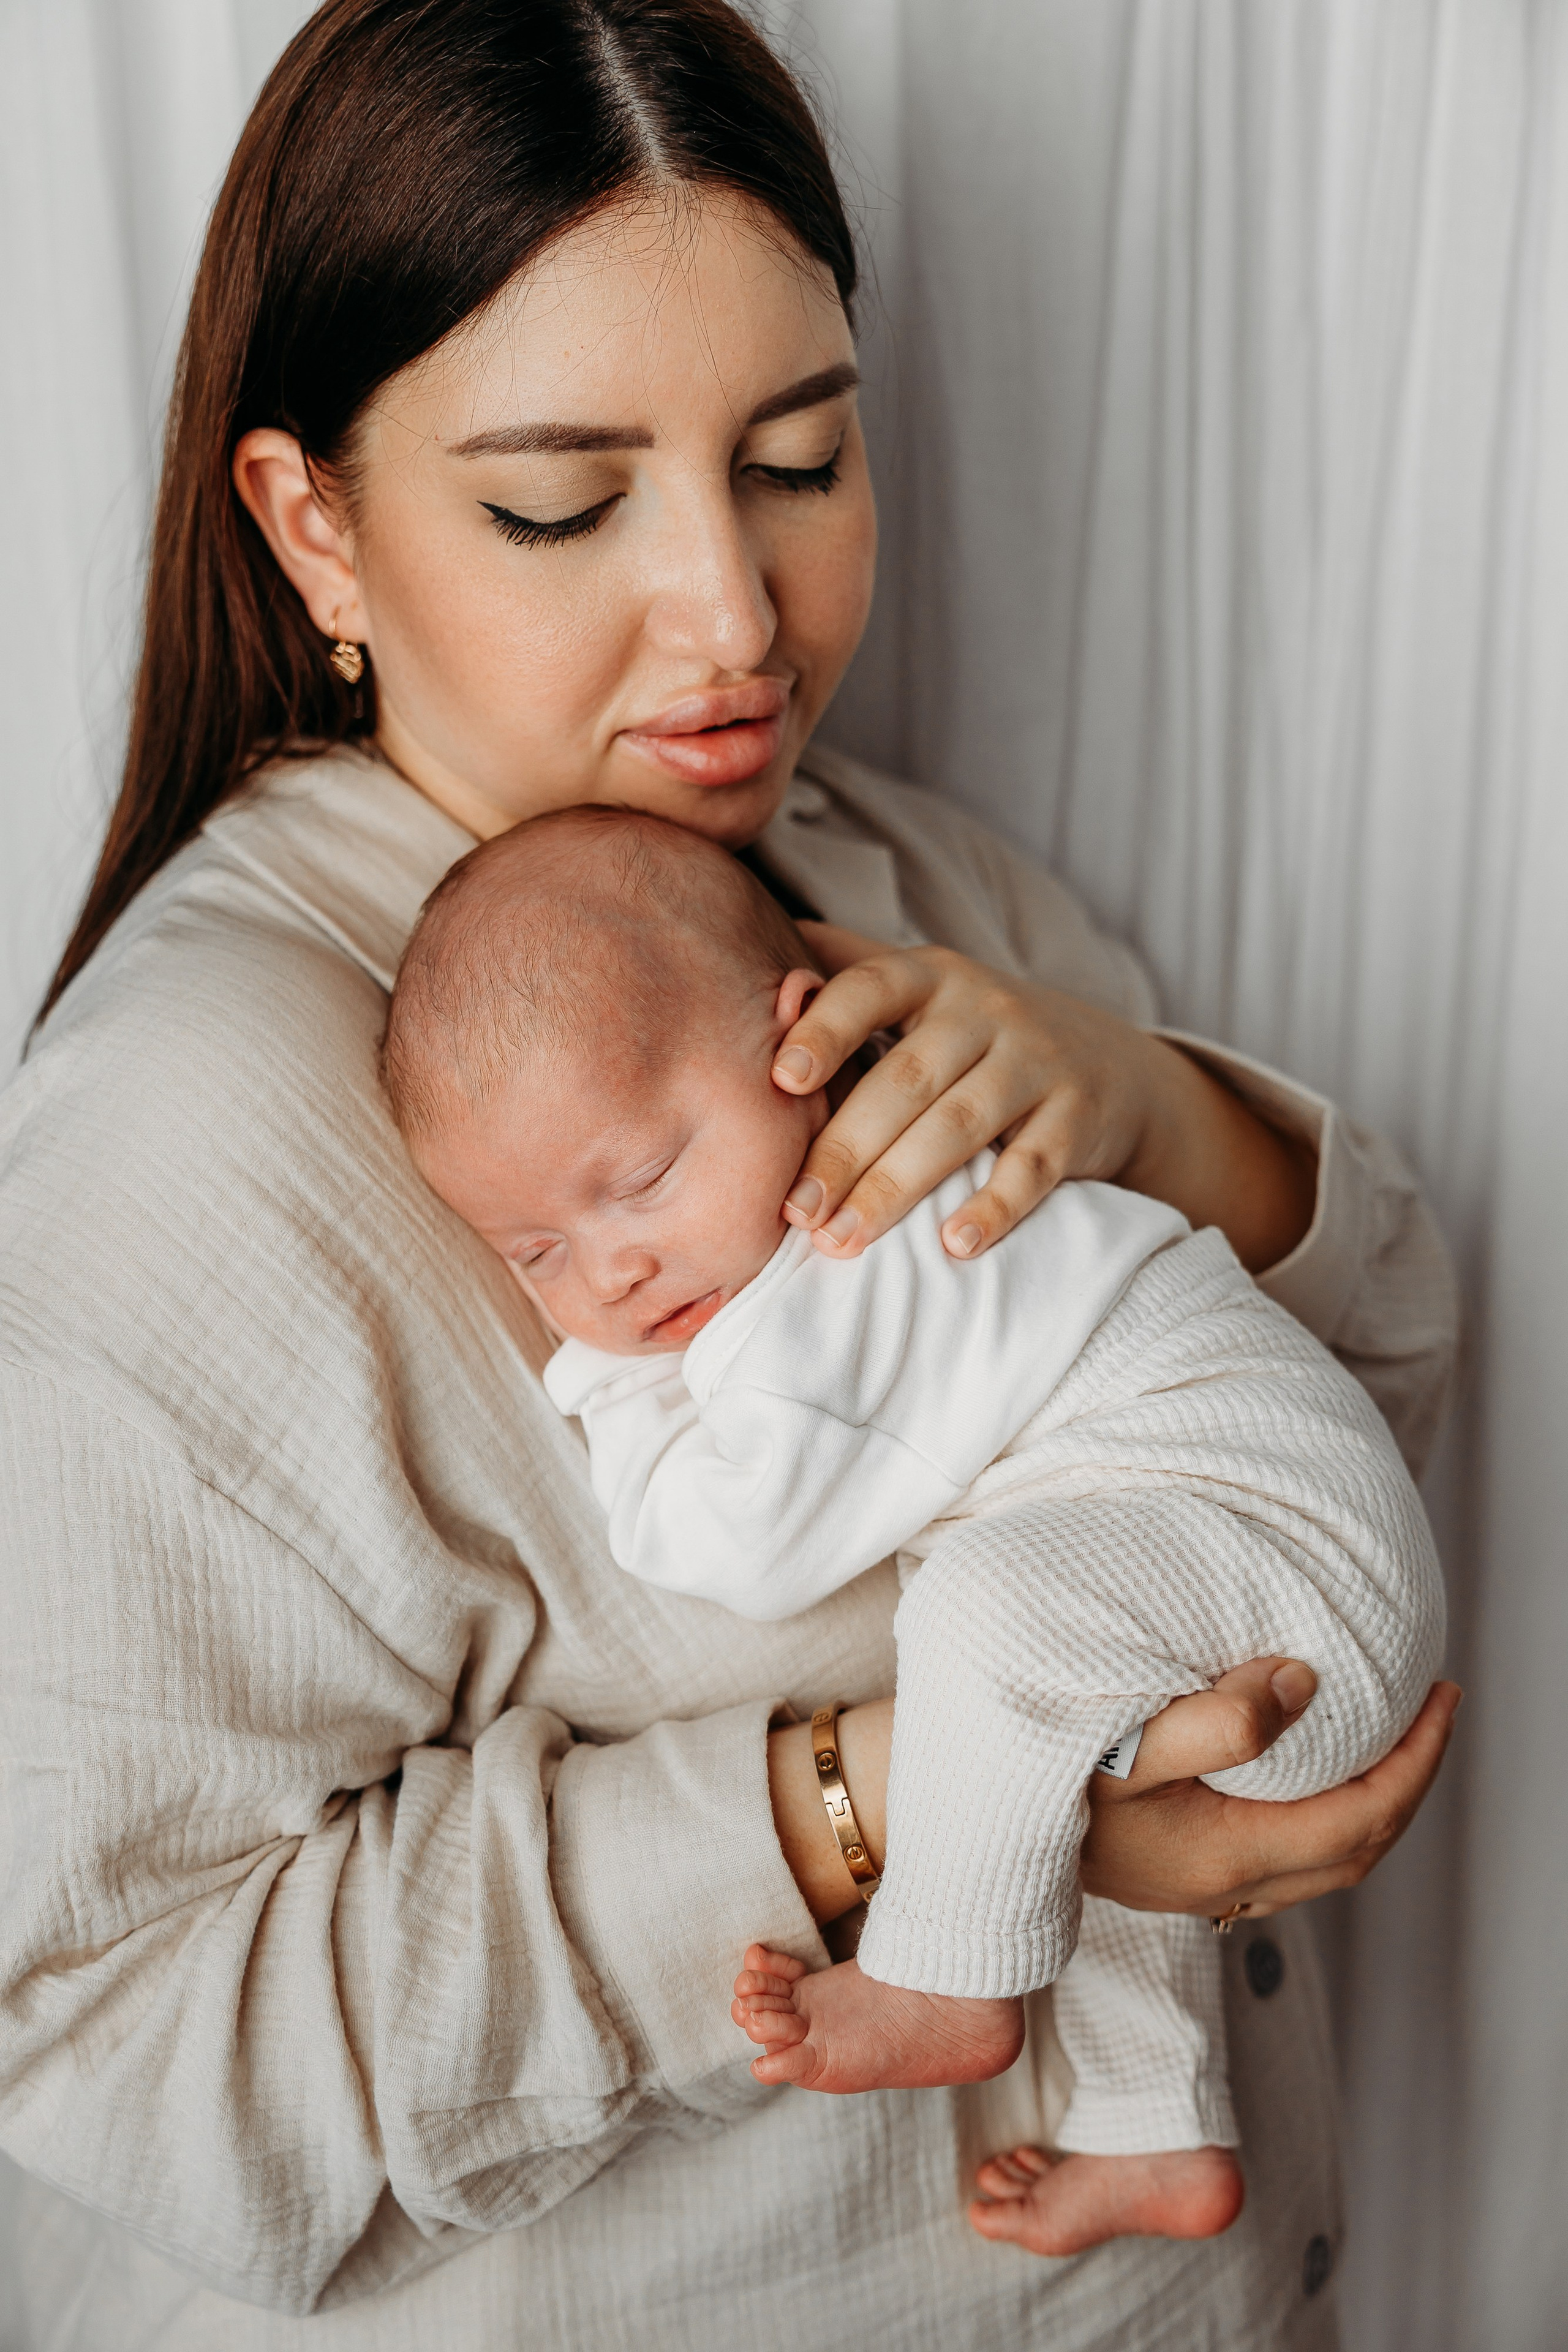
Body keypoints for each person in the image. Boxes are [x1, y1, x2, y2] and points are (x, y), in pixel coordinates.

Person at [0, 3, 1458, 2345]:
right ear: (312, 526)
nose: (738, 616)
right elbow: (119, 2051)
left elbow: (1347, 1431)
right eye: (562, 504)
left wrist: (1146, 1105)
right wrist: (890, 1808)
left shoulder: (917, 890)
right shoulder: (192, 1141)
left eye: (799, 457)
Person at [381, 802, 1445, 2259]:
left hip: (1291, 1558)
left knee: (980, 1622)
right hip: (1244, 1573)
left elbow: (737, 1542)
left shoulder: (853, 1246)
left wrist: (607, 1390)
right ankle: (1153, 2123)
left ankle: (945, 1980)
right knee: (1036, 1754)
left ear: (800, 1052)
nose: (612, 1272)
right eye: (535, 1253)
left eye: (637, 1183)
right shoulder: (813, 1199)